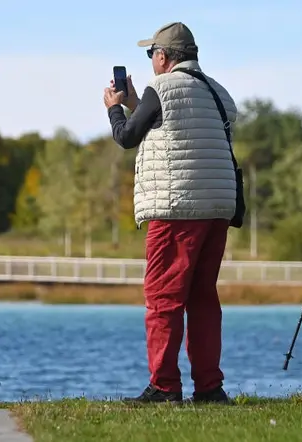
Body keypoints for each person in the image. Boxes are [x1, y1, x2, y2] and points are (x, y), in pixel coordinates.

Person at [101, 22, 238, 404]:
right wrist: (136, 104)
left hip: (176, 207)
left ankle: (164, 386)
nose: (151, 62)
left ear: (163, 56)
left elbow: (127, 137)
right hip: (218, 207)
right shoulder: (217, 91)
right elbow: (178, 125)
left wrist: (115, 109)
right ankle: (209, 387)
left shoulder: (160, 88)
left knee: (163, 298)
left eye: (151, 55)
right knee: (203, 299)